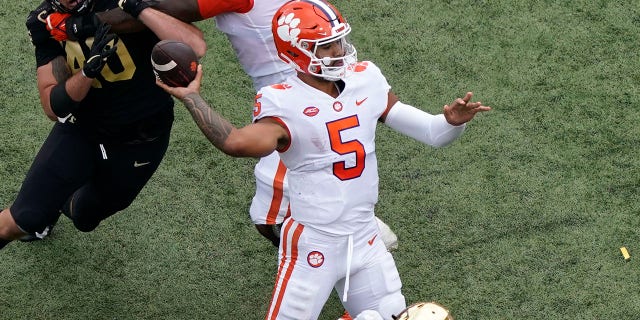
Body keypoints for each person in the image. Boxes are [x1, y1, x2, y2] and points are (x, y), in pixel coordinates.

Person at [158, 0, 491, 318]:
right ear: (296, 51)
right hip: (314, 244)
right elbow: (235, 143)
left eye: (339, 41)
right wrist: (192, 98)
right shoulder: (282, 101)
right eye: (326, 46)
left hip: (365, 237)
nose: (339, 51)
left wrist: (452, 122)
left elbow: (432, 132)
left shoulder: (366, 79)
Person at [46, 0, 399, 250]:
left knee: (269, 216)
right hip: (335, 85)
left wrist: (90, 14)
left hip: (297, 101)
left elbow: (166, 9)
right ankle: (351, 237)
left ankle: (342, 253)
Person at [0, 0, 205, 248]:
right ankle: (44, 209)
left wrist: (136, 10)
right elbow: (53, 106)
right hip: (83, 130)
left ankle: (59, 200)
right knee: (23, 218)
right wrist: (86, 74)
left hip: (140, 141)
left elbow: (196, 45)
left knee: (84, 217)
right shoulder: (44, 20)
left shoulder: (120, 3)